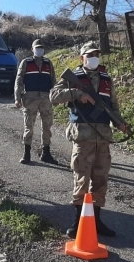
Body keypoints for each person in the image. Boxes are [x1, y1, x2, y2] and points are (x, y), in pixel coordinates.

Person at [50, 41, 128, 238]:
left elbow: (113, 106)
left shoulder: (106, 80)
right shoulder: (73, 77)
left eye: (96, 54)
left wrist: (120, 123)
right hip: (83, 136)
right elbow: (54, 95)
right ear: (82, 58)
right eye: (90, 54)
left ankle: (97, 220)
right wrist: (77, 94)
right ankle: (78, 222)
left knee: (100, 179)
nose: (94, 58)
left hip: (102, 136)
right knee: (81, 177)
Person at [14, 39, 58, 165]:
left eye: (41, 47)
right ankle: (26, 154)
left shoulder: (48, 63)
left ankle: (46, 153)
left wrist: (55, 97)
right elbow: (19, 81)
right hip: (30, 98)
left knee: (47, 126)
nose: (40, 50)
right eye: (37, 47)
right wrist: (17, 98)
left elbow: (53, 81)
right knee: (28, 126)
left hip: (46, 98)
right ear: (32, 49)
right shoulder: (26, 62)